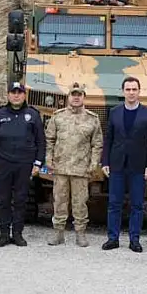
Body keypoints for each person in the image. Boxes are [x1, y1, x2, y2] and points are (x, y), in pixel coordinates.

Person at [0, 81, 45, 247]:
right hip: (3, 163)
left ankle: (17, 233)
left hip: (25, 164)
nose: (16, 95)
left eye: (19, 92)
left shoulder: (33, 115)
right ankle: (3, 234)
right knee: (4, 200)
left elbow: (41, 141)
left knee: (20, 200)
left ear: (24, 95)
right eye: (13, 92)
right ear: (8, 95)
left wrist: (38, 163)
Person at [102, 77, 147, 252]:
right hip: (117, 165)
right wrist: (105, 161)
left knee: (137, 205)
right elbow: (108, 138)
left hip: (138, 166)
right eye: (128, 89)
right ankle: (113, 238)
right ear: (123, 91)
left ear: (139, 91)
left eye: (134, 89)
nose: (131, 92)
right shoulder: (114, 112)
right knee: (114, 203)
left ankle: (135, 240)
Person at [45, 82, 103, 248]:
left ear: (84, 97)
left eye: (79, 95)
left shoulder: (92, 119)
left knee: (80, 203)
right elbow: (49, 140)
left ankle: (80, 233)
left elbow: (97, 144)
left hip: (81, 168)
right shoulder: (58, 116)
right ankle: (58, 233)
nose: (76, 98)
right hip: (60, 167)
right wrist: (48, 160)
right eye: (73, 95)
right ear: (68, 97)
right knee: (60, 201)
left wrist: (93, 164)